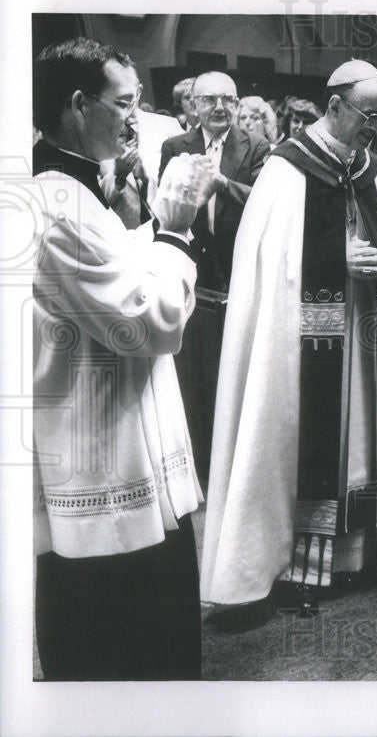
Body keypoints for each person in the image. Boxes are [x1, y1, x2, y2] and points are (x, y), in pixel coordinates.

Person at [200, 60, 377, 625]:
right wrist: (335, 258)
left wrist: (372, 265)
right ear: (335, 106)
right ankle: (292, 566)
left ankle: (361, 552)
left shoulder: (367, 166)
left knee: (364, 438)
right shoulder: (287, 168)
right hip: (301, 343)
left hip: (361, 334)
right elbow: (268, 260)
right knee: (297, 442)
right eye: (369, 115)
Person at [32, 37, 211, 680]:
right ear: (79, 105)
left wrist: (144, 228)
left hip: (122, 442)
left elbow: (114, 273)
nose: (136, 120)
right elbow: (147, 321)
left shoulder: (72, 190)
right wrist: (175, 229)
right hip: (102, 464)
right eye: (124, 103)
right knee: (126, 654)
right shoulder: (53, 205)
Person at [159, 71, 271, 292]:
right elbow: (165, 203)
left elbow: (263, 200)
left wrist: (224, 185)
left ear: (237, 104)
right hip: (190, 257)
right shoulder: (174, 147)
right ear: (194, 105)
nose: (219, 107)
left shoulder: (257, 146)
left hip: (238, 259)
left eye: (227, 99)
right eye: (210, 99)